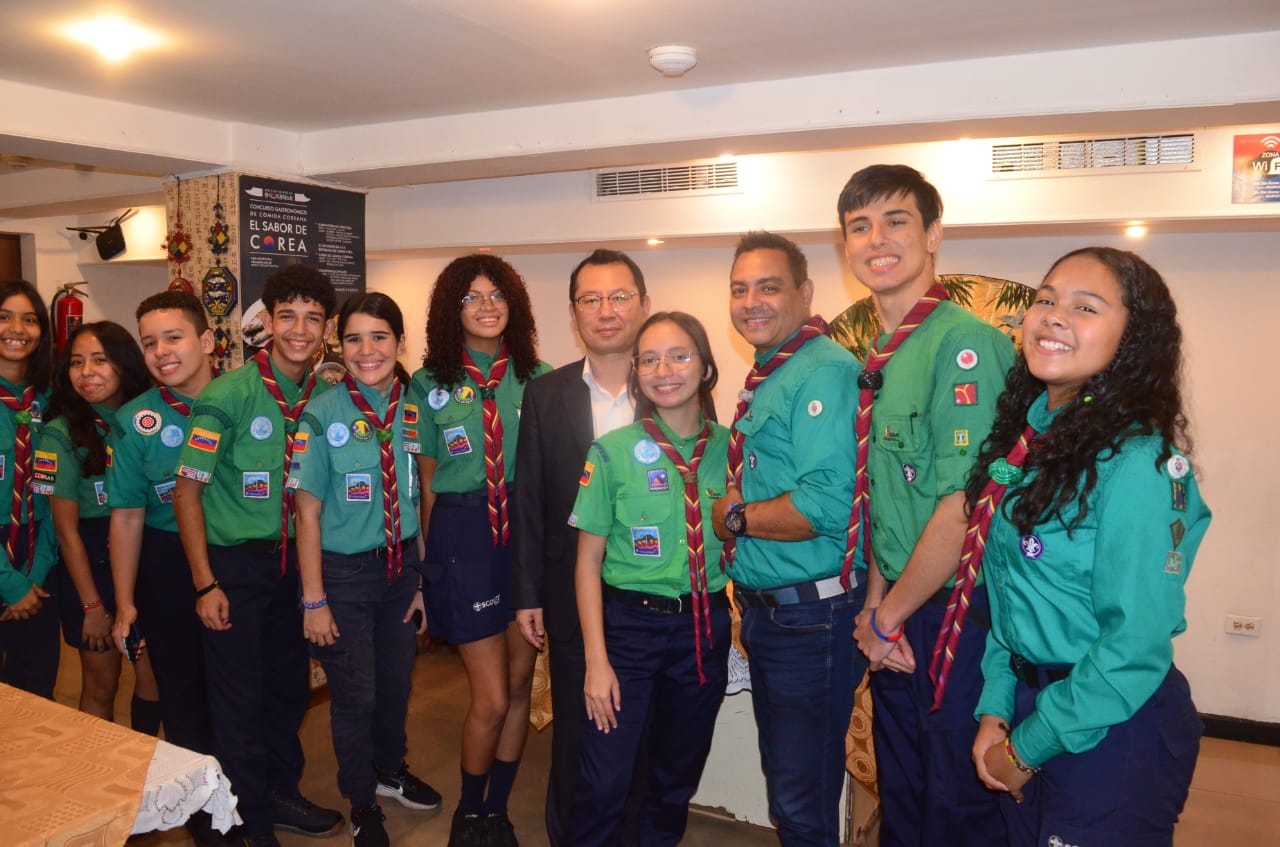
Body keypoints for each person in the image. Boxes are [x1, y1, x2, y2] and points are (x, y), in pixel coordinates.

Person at [967, 247, 1210, 846]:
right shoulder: (1028, 445)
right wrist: (996, 708)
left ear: (1133, 338)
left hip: (1110, 728)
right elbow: (1010, 598)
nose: (1053, 315)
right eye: (1046, 299)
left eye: (1086, 307)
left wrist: (1024, 749)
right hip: (1029, 707)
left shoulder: (1142, 464)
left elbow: (1133, 645)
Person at [841, 165, 1013, 846]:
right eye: (859, 226)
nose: (876, 239)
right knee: (906, 797)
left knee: (954, 806)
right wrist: (875, 609)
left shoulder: (963, 345)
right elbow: (888, 495)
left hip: (957, 613)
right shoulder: (884, 353)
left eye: (896, 221)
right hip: (902, 606)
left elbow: (962, 507)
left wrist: (886, 618)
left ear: (934, 233)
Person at [173, 265, 344, 847]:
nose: (299, 329)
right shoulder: (228, 395)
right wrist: (205, 584)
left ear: (327, 328)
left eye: (313, 318)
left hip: (294, 565)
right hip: (235, 569)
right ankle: (247, 821)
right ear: (267, 321)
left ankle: (280, 793)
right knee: (239, 701)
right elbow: (186, 493)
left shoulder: (325, 395)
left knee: (288, 690)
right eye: (287, 316)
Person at [710, 231, 865, 847]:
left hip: (811, 619)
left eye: (768, 287)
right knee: (789, 786)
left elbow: (826, 505)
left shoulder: (823, 372)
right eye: (740, 288)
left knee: (802, 800)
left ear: (805, 292)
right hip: (774, 615)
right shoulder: (774, 371)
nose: (751, 301)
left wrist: (735, 520)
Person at [567, 311, 730, 846]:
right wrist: (597, 662)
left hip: (703, 628)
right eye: (650, 360)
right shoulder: (611, 452)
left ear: (705, 367)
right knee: (604, 780)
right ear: (637, 372)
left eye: (680, 356)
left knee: (675, 778)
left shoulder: (733, 451)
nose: (665, 371)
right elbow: (586, 563)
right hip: (628, 631)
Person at [510, 249, 652, 847]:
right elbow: (529, 499)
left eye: (619, 297)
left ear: (643, 304)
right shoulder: (547, 394)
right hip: (570, 597)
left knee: (642, 744)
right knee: (575, 743)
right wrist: (527, 595)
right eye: (590, 300)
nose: (606, 311)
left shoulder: (672, 384)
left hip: (650, 600)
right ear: (574, 314)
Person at [410, 254, 551, 847]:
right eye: (472, 296)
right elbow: (426, 484)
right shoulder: (427, 383)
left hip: (525, 535)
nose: (487, 306)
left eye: (497, 295)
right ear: (452, 308)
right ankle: (468, 813)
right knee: (490, 697)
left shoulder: (540, 377)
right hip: (462, 536)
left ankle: (498, 810)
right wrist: (425, 574)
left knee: (519, 688)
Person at [292, 292, 441, 847]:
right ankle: (361, 800)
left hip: (401, 571)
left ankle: (389, 769)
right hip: (343, 576)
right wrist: (314, 599)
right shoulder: (321, 413)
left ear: (399, 342)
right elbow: (306, 511)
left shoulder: (415, 409)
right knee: (357, 695)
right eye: (353, 338)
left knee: (396, 686)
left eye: (379, 336)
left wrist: (422, 580)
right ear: (340, 346)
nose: (366, 350)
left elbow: (422, 495)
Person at [108, 291, 238, 847]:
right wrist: (125, 603)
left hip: (237, 555)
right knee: (183, 697)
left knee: (240, 690)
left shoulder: (246, 399)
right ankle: (205, 820)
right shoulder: (134, 420)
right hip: (166, 566)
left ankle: (250, 800)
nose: (161, 351)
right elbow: (126, 516)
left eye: (174, 337)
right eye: (149, 342)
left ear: (206, 341)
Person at [39, 321, 160, 726]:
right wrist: (92, 607)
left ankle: (141, 762)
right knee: (102, 683)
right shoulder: (61, 432)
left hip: (146, 557)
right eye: (76, 362)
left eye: (99, 360)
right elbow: (66, 531)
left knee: (153, 679)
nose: (86, 372)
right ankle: (92, 763)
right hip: (90, 567)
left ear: (124, 364)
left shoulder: (146, 418)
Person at [0, 279, 58, 698]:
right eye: (4, 317)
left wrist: (34, 576)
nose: (17, 329)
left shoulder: (51, 401)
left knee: (36, 692)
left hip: (38, 549)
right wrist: (10, 584)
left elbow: (58, 496)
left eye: (30, 319)